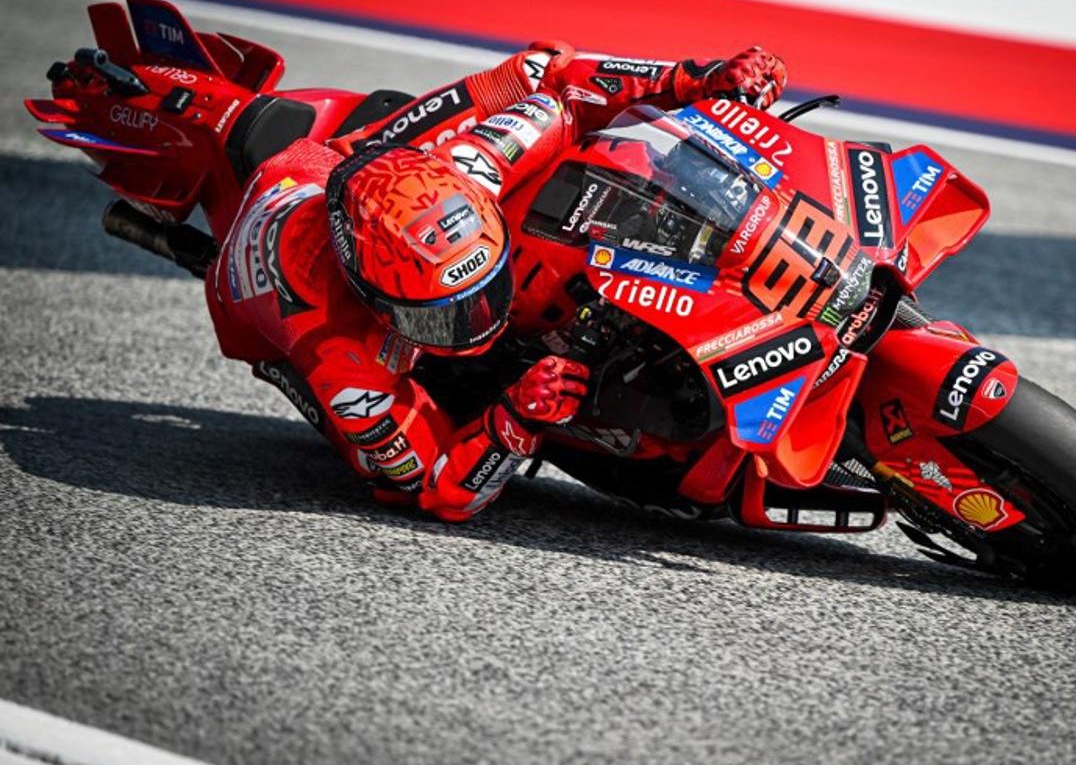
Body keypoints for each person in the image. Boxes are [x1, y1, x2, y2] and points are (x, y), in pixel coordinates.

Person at [205, 41, 787, 521]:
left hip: (344, 161)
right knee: (381, 474)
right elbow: (439, 489)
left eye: (485, 294)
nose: (484, 321)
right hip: (267, 298)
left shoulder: (474, 162)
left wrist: (696, 76)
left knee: (535, 70)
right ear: (374, 300)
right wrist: (516, 417)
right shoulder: (342, 359)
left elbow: (565, 85)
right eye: (444, 316)